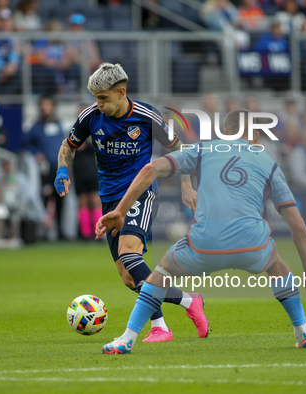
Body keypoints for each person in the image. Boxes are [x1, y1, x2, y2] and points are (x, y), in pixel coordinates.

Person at [96, 108, 306, 354]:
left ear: (225, 133)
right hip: (253, 246)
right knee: (277, 265)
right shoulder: (268, 162)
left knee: (160, 274)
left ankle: (128, 339)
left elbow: (149, 170)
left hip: (204, 245)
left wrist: (121, 210)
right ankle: (304, 332)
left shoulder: (204, 150)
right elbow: (298, 226)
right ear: (256, 136)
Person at [54, 63, 206, 343]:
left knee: (128, 252)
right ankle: (175, 312)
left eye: (103, 98)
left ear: (121, 92)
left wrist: (187, 186)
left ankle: (170, 318)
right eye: (95, 99)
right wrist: (62, 169)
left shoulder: (147, 116)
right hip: (110, 199)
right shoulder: (90, 117)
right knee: (128, 276)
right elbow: (68, 145)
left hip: (141, 194)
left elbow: (178, 149)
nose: (98, 104)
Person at [23, 96, 66, 239]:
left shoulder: (58, 125)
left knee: (60, 200)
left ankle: (60, 231)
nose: (46, 109)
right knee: (44, 199)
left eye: (49, 105)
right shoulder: (36, 127)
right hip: (44, 171)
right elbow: (27, 144)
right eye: (44, 106)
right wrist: (36, 154)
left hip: (58, 169)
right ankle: (44, 232)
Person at [71, 103, 102, 241]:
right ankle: (85, 233)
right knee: (82, 200)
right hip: (78, 171)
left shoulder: (96, 130)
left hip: (92, 169)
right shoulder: (74, 131)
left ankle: (98, 232)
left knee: (95, 199)